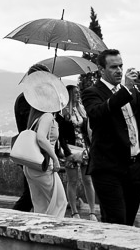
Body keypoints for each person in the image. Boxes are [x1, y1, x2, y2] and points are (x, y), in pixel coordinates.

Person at [82, 49, 140, 226]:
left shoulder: (132, 92)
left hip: (134, 167)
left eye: (121, 66)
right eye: (113, 67)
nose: (119, 70)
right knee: (116, 222)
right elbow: (98, 113)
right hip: (108, 168)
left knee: (129, 222)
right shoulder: (92, 93)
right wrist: (126, 89)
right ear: (101, 69)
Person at [21, 76, 69, 217]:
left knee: (40, 205)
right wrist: (55, 159)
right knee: (60, 203)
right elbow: (41, 138)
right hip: (43, 165)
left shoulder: (35, 117)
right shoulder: (47, 116)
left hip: (30, 166)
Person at [56, 85, 98, 220]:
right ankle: (74, 212)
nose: (78, 95)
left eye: (78, 92)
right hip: (70, 149)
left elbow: (88, 131)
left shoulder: (82, 110)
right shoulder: (62, 113)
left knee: (88, 180)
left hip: (84, 148)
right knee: (72, 181)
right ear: (69, 94)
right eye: (75, 93)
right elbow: (60, 135)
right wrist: (66, 152)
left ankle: (92, 211)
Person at [12, 63, 50, 211]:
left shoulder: (35, 98)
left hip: (37, 152)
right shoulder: (25, 99)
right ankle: (12, 221)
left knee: (36, 196)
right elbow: (29, 127)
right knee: (30, 195)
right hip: (32, 152)